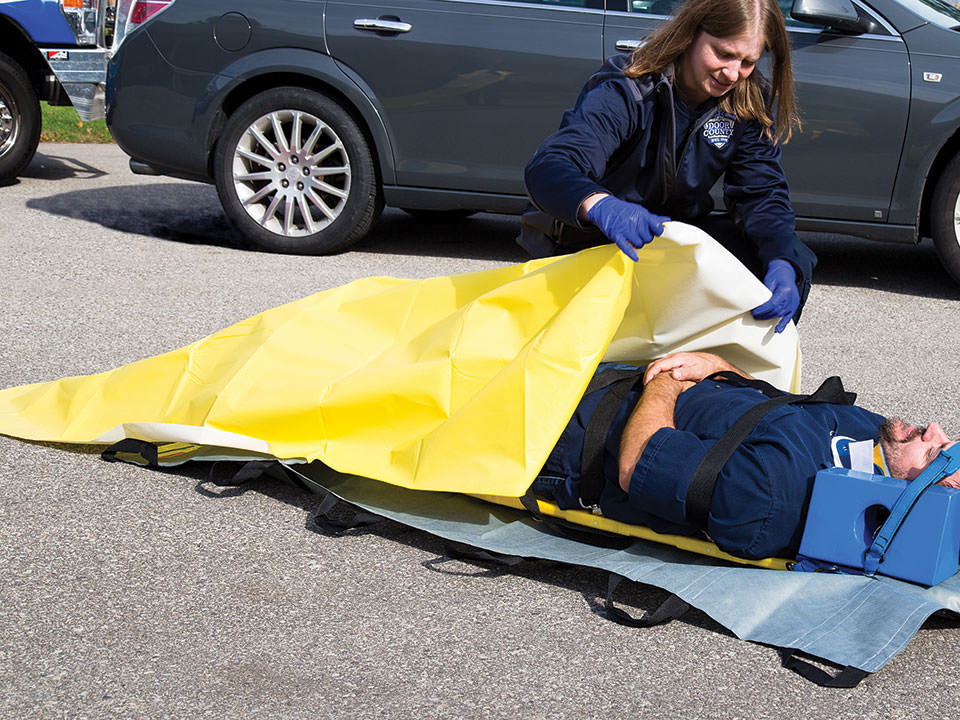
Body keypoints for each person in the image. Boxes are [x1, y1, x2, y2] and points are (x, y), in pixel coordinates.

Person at [521, 0, 816, 333]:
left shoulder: (745, 99)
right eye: (723, 54)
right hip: (590, 240)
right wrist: (601, 206)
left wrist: (780, 260)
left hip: (665, 238)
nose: (733, 74)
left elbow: (761, 193)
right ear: (690, 34)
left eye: (748, 61)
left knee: (791, 254)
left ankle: (728, 369)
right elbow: (550, 165)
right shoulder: (630, 87)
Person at [531, 351, 960, 561]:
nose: (935, 430)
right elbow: (780, 408)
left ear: (913, 503)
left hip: (560, 428)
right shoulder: (882, 441)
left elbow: (637, 463)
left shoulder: (774, 498)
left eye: (938, 452)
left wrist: (667, 380)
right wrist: (723, 367)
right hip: (610, 375)